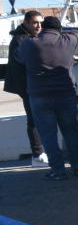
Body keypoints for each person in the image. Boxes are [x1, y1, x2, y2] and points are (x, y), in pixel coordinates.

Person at [16, 16, 78, 179]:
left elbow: (18, 57)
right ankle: (76, 166)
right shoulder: (68, 41)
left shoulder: (30, 44)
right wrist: (63, 31)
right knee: (71, 132)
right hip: (66, 95)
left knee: (48, 135)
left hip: (40, 96)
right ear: (59, 29)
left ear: (43, 27)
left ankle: (58, 171)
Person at [3, 10, 47, 166]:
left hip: (30, 85)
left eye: (41, 22)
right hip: (28, 86)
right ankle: (38, 154)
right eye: (35, 22)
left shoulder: (26, 37)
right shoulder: (22, 39)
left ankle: (41, 152)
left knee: (37, 118)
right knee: (34, 120)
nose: (39, 26)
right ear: (26, 23)